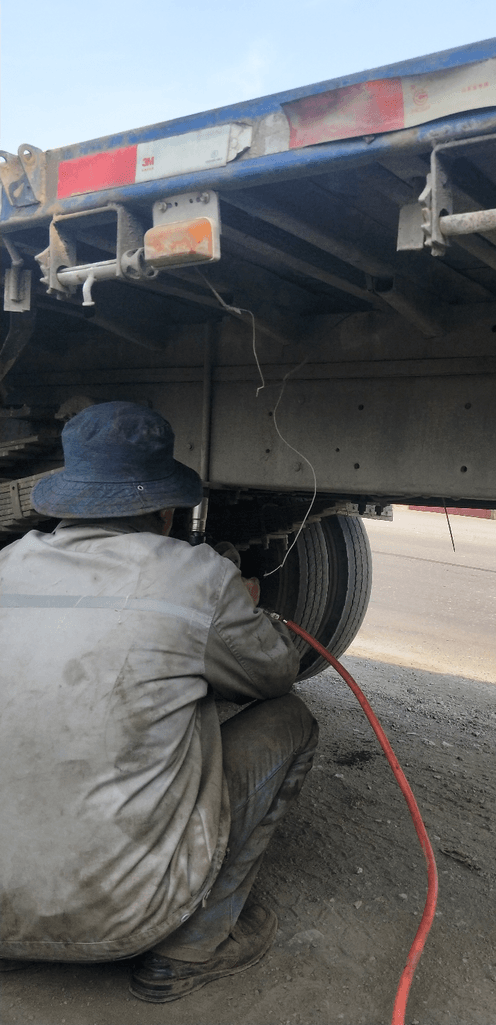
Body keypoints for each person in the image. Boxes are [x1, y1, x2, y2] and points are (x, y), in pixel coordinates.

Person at [0, 401, 318, 1003]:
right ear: (167, 512)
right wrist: (243, 607)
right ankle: (190, 948)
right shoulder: (196, 576)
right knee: (290, 721)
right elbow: (274, 675)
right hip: (123, 920)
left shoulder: (8, 564)